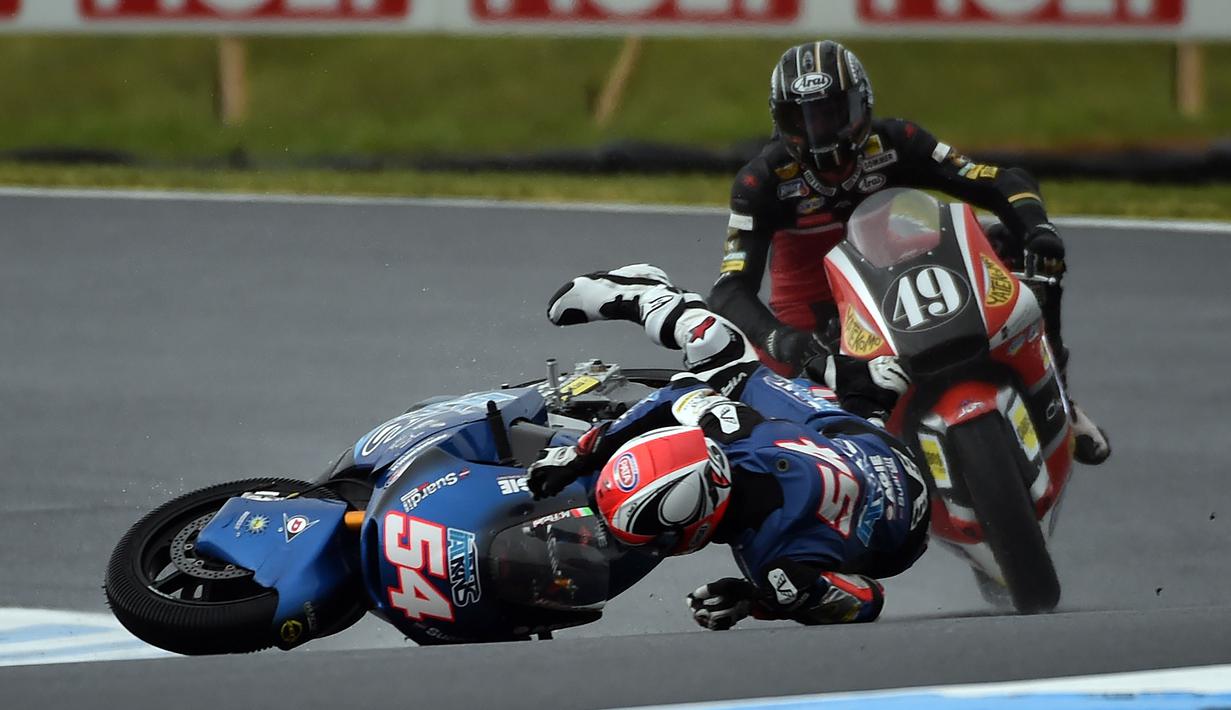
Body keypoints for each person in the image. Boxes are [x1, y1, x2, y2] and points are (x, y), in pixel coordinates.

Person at [710, 40, 1110, 466]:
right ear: (780, 122)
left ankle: (1058, 397)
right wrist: (784, 339)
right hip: (817, 307)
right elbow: (729, 288)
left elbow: (996, 179)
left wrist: (1038, 229)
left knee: (1018, 245)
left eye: (831, 114)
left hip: (899, 266)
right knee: (777, 407)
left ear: (862, 106)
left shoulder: (898, 140)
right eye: (802, 119)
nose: (818, 132)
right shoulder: (760, 182)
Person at [534, 265, 928, 629]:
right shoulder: (735, 431)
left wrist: (765, 600)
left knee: (711, 351)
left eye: (660, 538)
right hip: (860, 445)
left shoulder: (776, 560)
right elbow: (679, 391)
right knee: (711, 347)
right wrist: (586, 453)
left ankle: (867, 400)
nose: (658, 547)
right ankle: (864, 397)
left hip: (901, 537)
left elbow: (868, 599)